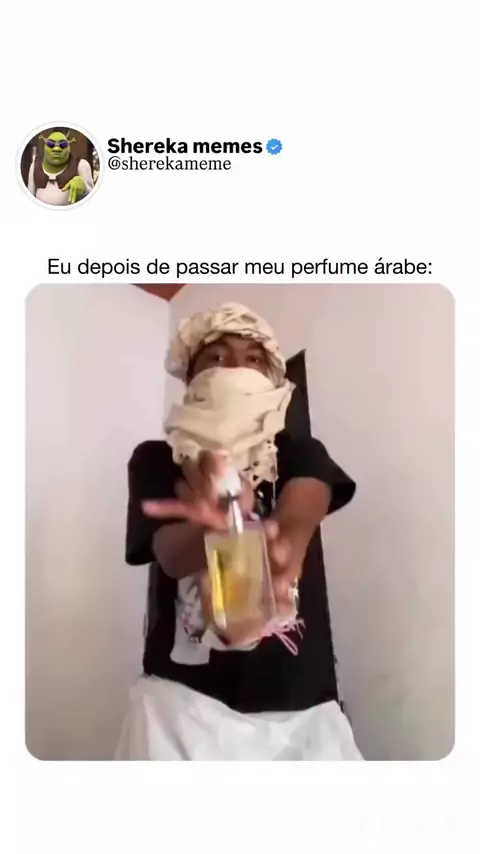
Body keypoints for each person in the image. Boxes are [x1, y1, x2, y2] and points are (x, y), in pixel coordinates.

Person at [116, 302, 362, 760]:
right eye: (216, 356)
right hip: (180, 708)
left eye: (253, 359)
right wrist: (216, 531)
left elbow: (301, 514)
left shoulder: (298, 451)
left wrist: (276, 549)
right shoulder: (156, 459)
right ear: (191, 377)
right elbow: (168, 551)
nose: (235, 367)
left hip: (300, 713)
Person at [27, 131, 94, 205]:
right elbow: (30, 196)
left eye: (63, 145)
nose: (56, 149)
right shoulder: (35, 165)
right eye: (50, 144)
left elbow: (93, 198)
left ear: (69, 147)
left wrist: (83, 185)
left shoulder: (81, 165)